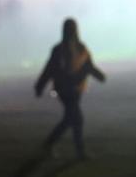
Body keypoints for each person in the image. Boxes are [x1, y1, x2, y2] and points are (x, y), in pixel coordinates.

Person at [34, 18, 106, 160]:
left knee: (70, 119)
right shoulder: (62, 49)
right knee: (76, 118)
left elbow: (88, 65)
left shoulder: (79, 48)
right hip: (65, 90)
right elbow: (50, 69)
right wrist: (40, 86)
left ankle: (50, 145)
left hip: (75, 89)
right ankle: (79, 152)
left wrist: (99, 75)